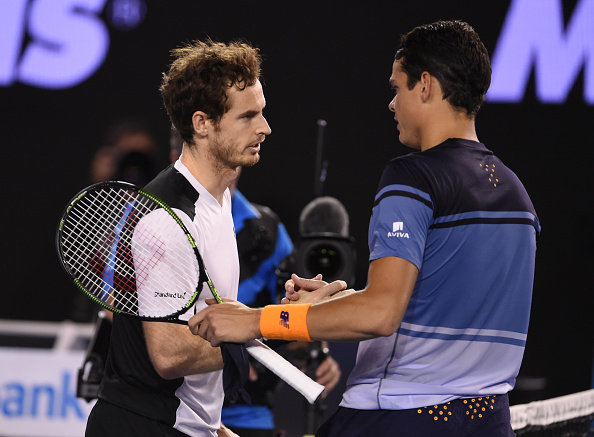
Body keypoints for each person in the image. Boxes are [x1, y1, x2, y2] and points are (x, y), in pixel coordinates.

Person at [188, 20, 540, 437]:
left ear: (425, 86)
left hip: (400, 418)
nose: (392, 104)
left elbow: (381, 313)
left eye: (398, 88)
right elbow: (441, 305)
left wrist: (253, 321)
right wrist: (333, 304)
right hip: (489, 422)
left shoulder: (413, 177)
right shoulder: (517, 196)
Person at [85, 39, 271, 437]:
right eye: (247, 117)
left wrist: (213, 427)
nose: (264, 128)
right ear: (202, 123)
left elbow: (202, 335)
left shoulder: (217, 202)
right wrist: (277, 325)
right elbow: (169, 354)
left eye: (262, 113)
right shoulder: (167, 221)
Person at [171, 134, 341, 436]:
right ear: (179, 154)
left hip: (249, 413)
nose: (231, 171)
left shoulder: (271, 232)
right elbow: (126, 321)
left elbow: (292, 318)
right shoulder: (155, 220)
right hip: (173, 409)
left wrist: (319, 351)